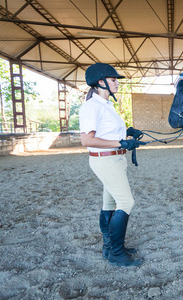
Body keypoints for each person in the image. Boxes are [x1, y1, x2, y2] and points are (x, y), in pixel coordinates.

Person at [79, 63, 145, 267]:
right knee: (126, 203)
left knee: (109, 204)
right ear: (101, 82)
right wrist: (121, 143)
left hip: (115, 159)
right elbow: (87, 140)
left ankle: (110, 247)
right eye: (113, 79)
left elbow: (106, 134)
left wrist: (126, 133)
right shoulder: (92, 106)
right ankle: (116, 253)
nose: (117, 83)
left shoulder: (106, 105)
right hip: (106, 160)